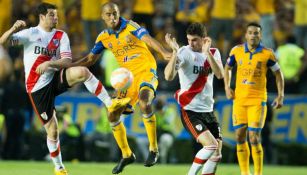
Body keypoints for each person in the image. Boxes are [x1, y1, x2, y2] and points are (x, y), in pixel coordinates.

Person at [0, 3, 130, 175]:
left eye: (56, 14)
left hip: (54, 77)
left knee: (83, 71)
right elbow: (2, 43)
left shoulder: (61, 36)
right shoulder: (30, 34)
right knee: (52, 131)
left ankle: (110, 103)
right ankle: (59, 167)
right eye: (52, 15)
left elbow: (67, 62)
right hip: (37, 87)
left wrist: (49, 63)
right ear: (42, 17)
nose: (56, 17)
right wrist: (12, 29)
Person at [70, 2, 172, 174]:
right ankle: (127, 154)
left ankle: (153, 149)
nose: (112, 17)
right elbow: (90, 59)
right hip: (127, 78)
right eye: (108, 14)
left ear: (119, 13)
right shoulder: (103, 37)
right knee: (112, 114)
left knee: (144, 102)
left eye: (115, 13)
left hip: (146, 70)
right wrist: (70, 67)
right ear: (102, 17)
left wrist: (163, 52)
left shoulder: (131, 26)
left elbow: (147, 39)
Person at [224, 22, 284, 175]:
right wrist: (227, 86)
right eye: (250, 32)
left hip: (257, 100)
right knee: (239, 136)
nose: (253, 35)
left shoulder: (267, 53)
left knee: (254, 137)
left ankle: (258, 173)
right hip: (239, 100)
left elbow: (278, 73)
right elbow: (228, 68)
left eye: (256, 33)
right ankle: (245, 172)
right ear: (246, 35)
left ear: (260, 35)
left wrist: (280, 95)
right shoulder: (236, 51)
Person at [164, 22, 224, 175]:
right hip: (190, 110)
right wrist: (175, 52)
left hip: (208, 110)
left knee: (217, 154)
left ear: (204, 39)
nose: (191, 43)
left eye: (195, 40)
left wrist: (207, 53)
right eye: (189, 39)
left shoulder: (214, 52)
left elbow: (220, 75)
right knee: (211, 146)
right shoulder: (184, 52)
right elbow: (168, 76)